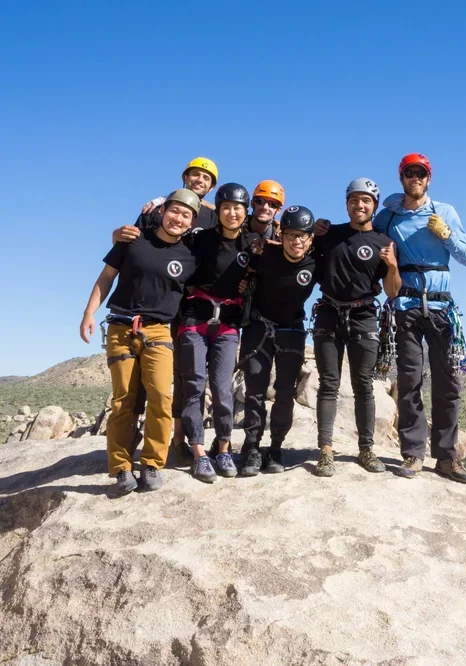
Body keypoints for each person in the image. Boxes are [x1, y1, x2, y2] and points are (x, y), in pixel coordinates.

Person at [79, 189, 200, 495]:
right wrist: (89, 312)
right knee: (124, 401)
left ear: (191, 223)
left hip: (159, 331)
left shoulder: (191, 256)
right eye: (175, 211)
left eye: (186, 215)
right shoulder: (133, 239)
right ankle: (120, 467)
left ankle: (152, 464)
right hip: (121, 327)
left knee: (161, 396)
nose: (178, 218)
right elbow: (107, 276)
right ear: (163, 212)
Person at [372, 154, 466, 483]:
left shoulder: (445, 212)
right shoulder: (388, 217)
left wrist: (446, 234)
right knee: (409, 380)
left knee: (448, 384)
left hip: (442, 307)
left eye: (420, 173)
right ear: (401, 178)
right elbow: (365, 238)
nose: (415, 178)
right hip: (406, 306)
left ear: (428, 179)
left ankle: (446, 457)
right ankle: (413, 454)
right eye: (409, 173)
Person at [311, 179, 400, 477]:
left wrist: (392, 266)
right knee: (328, 384)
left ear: (374, 205)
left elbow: (392, 291)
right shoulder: (329, 234)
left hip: (364, 316)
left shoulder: (383, 242)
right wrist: (313, 228)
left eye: (366, 200)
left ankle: (366, 449)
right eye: (354, 200)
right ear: (346, 202)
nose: (359, 205)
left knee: (364, 386)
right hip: (328, 312)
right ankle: (325, 452)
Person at [178, 183, 253, 483]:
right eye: (226, 207)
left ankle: (223, 449)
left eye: (238, 208)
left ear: (245, 212)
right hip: (196, 318)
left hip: (228, 323)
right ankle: (198, 453)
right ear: (218, 210)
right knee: (194, 385)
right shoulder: (200, 240)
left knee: (223, 389)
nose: (232, 213)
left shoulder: (252, 245)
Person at [238, 205, 318, 475]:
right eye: (291, 235)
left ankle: (275, 448)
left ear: (311, 239)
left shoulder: (315, 263)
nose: (297, 241)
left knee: (285, 393)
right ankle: (250, 448)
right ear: (281, 234)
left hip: (292, 331)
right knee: (255, 390)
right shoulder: (263, 254)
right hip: (258, 328)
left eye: (303, 236)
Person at [112, 157, 220, 242]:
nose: (200, 180)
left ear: (211, 187)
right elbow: (128, 247)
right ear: (185, 178)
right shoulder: (155, 209)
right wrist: (116, 236)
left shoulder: (214, 218)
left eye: (206, 178)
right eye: (195, 174)